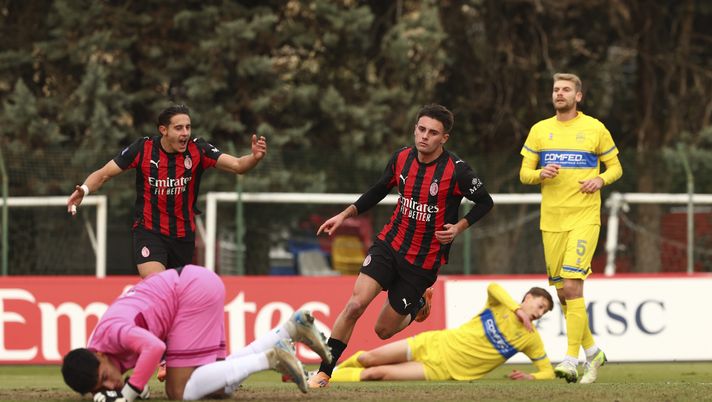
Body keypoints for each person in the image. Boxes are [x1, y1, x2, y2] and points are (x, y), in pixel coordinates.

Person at [308, 104, 494, 388]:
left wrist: (458, 227)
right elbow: (379, 189)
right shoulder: (402, 158)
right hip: (389, 244)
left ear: (444, 138)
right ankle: (324, 372)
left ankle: (419, 303)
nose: (424, 137)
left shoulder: (457, 171)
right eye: (421, 129)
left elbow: (485, 202)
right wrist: (344, 214)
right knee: (355, 305)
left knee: (382, 330)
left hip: (422, 261)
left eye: (433, 133)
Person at [61, 265, 332, 401]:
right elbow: (134, 366)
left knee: (177, 391)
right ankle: (290, 329)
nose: (111, 385)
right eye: (103, 388)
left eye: (106, 378)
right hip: (194, 287)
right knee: (219, 388)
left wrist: (130, 393)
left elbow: (153, 348)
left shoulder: (112, 333)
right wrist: (134, 388)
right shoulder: (99, 354)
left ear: (98, 354)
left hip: (189, 294)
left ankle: (271, 358)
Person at [66, 104, 267, 278]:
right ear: (164, 130)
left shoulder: (198, 150)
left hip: (183, 236)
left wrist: (254, 158)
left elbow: (238, 165)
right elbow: (103, 174)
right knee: (158, 283)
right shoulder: (142, 149)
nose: (185, 133)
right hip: (149, 231)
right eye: (178, 128)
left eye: (188, 127)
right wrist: (84, 189)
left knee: (175, 293)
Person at [519, 73, 623, 384]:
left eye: (566, 89)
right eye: (556, 89)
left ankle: (570, 358)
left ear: (578, 96)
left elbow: (616, 167)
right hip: (551, 222)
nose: (559, 93)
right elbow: (524, 173)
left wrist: (600, 179)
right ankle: (593, 353)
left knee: (573, 285)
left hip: (584, 218)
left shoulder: (595, 128)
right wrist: (540, 174)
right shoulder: (540, 130)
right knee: (564, 294)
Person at [328, 283, 555, 383]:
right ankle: (326, 373)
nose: (540, 312)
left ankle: (323, 381)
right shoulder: (500, 305)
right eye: (540, 304)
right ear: (527, 298)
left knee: (375, 374)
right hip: (433, 342)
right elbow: (492, 287)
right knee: (368, 358)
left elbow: (548, 372)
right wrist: (516, 310)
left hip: (441, 369)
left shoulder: (530, 337)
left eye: (544, 310)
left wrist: (531, 376)